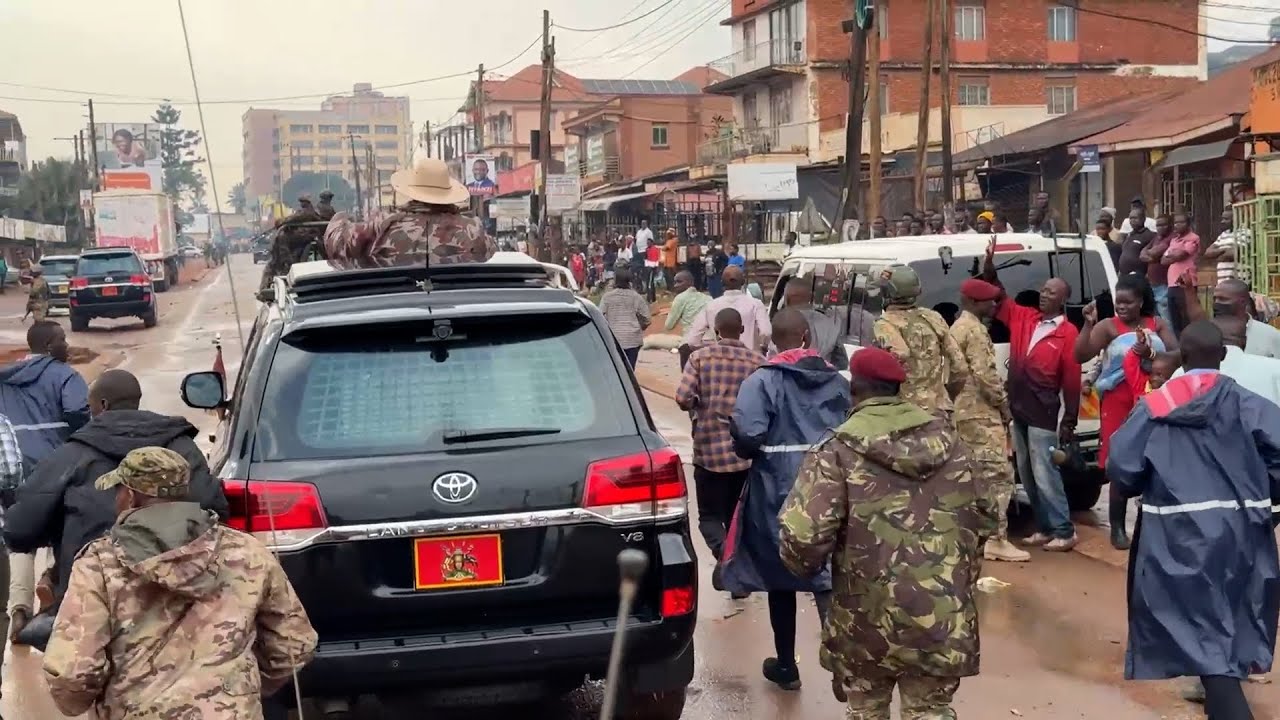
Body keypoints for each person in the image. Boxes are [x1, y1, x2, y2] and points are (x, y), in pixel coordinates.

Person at [779, 347, 994, 715]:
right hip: (942, 617)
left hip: (865, 621)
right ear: (899, 390)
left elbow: (804, 538)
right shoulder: (955, 445)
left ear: (854, 391)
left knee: (866, 712)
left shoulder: (836, 451)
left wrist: (804, 569)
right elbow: (988, 515)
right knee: (931, 711)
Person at [43, 446, 317, 719]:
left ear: (129, 497)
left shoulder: (100, 564)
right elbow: (294, 643)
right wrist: (241, 688)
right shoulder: (246, 551)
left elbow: (73, 672)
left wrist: (83, 704)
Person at [1107, 320, 1280, 720]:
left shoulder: (1155, 408)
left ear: (1181, 358)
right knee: (1223, 645)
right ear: (1223, 356)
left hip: (1177, 536)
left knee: (1209, 652)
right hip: (1241, 535)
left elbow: (1123, 469)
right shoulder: (1245, 402)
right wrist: (1263, 498)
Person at [3, 368, 230, 644]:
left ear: (102, 406)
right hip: (184, 595)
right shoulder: (181, 447)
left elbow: (19, 529)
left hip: (94, 603)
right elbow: (216, 508)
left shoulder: (70, 456)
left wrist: (58, 530)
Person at [724, 308, 849, 690]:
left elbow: (747, 434)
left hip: (775, 485)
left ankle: (785, 665)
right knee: (827, 575)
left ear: (774, 341)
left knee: (781, 577)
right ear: (807, 338)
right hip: (829, 480)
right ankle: (844, 669)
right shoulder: (836, 380)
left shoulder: (762, 381)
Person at [980, 238, 1082, 551]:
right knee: (1027, 472)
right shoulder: (1025, 318)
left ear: (1062, 299)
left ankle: (1065, 530)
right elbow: (997, 293)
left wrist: (1070, 419)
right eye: (1043, 290)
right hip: (1019, 409)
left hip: (1044, 411)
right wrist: (989, 266)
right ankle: (1044, 527)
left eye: (1051, 292)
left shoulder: (1067, 333)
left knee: (1045, 472)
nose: (1043, 294)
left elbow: (1072, 381)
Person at [0, 321, 90, 645]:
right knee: (62, 530)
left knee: (19, 539)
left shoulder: (5, 378)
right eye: (63, 339)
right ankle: (52, 591)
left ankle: (19, 610)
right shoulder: (64, 375)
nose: (67, 345)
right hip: (57, 465)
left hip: (14, 465)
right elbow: (79, 409)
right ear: (51, 344)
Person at [1074, 274, 1177, 550]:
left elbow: (1176, 354)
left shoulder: (1158, 324)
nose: (1121, 307)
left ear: (1141, 301)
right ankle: (1117, 529)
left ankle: (1153, 524)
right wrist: (1087, 324)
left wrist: (1151, 356)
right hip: (1117, 401)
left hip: (1150, 395)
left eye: (1128, 302)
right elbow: (1080, 355)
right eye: (1118, 301)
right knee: (1118, 459)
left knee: (1154, 458)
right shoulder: (1109, 326)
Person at [677, 308, 764, 591]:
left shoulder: (699, 358)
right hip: (744, 457)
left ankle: (725, 558)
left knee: (709, 518)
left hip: (708, 453)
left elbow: (682, 397)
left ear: (715, 331)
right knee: (735, 517)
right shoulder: (757, 362)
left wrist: (699, 402)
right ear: (741, 330)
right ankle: (736, 567)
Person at [951, 278, 1028, 562]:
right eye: (990, 300)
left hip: (964, 413)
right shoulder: (975, 331)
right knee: (998, 476)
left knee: (974, 477)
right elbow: (986, 376)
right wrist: (1004, 406)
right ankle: (997, 538)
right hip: (981, 415)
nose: (995, 305)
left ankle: (978, 537)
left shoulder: (958, 328)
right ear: (974, 302)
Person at [323, 157, 496, 271]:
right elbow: (490, 252)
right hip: (459, 310)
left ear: (413, 192)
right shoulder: (473, 229)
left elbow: (338, 247)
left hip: (392, 312)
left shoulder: (383, 225)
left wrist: (339, 219)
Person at [872, 265, 968, 417]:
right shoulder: (932, 317)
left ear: (887, 292)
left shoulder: (885, 324)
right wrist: (946, 395)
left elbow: (900, 354)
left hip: (907, 414)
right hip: (940, 410)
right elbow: (961, 367)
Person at [1182, 274, 1280, 359]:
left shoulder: (1270, 335)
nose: (1217, 303)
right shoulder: (1210, 331)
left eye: (1223, 299)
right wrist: (1189, 289)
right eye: (1215, 299)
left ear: (1242, 302)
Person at [684, 265, 771, 354]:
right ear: (743, 282)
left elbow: (692, 341)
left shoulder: (711, 306)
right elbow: (766, 332)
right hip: (750, 358)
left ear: (721, 283)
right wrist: (762, 348)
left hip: (720, 358)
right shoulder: (756, 304)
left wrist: (711, 350)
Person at [782, 279, 848, 369]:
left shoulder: (781, 323)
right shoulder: (831, 323)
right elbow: (842, 362)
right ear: (811, 297)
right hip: (822, 377)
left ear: (786, 298)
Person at [598, 267, 650, 368]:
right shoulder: (636, 297)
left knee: (617, 369)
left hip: (614, 338)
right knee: (630, 369)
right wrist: (641, 327)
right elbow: (647, 318)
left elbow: (600, 315)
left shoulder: (607, 297)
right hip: (633, 339)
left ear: (615, 280)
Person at [1160, 211, 1201, 335]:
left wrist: (1171, 254)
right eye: (1176, 222)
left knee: (1186, 319)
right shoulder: (1174, 240)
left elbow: (1181, 255)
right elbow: (1163, 260)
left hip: (1186, 283)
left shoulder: (1193, 238)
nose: (1177, 225)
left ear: (1188, 223)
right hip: (1172, 284)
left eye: (1181, 222)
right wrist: (1173, 254)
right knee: (1175, 320)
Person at [665, 270, 711, 370]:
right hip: (708, 344)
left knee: (688, 381)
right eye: (675, 282)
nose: (676, 285)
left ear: (689, 282)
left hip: (689, 344)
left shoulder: (680, 298)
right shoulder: (708, 298)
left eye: (679, 282)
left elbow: (669, 325)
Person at [1139, 214, 1175, 326]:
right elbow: (1142, 254)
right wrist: (1152, 257)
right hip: (1152, 283)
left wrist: (1151, 255)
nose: (1160, 227)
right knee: (1156, 317)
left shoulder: (1171, 238)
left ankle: (1170, 342)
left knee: (1166, 317)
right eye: (1158, 225)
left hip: (1163, 283)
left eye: (1163, 224)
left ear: (1170, 225)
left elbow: (1155, 252)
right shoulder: (1156, 238)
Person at [1116, 206, 1157, 278]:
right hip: (1124, 276)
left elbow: (1152, 256)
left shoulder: (1149, 235)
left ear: (1143, 219)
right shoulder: (1130, 235)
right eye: (1130, 218)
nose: (1132, 221)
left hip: (1139, 276)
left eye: (1135, 218)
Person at [1205, 208, 1237, 283]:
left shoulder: (1245, 232)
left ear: (1236, 219)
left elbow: (1233, 253)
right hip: (1222, 281)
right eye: (1222, 219)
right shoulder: (1223, 235)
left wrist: (1217, 254)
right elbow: (1207, 253)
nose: (1222, 222)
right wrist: (1223, 250)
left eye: (1226, 219)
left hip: (1237, 281)